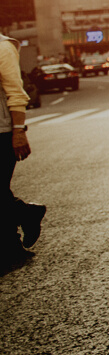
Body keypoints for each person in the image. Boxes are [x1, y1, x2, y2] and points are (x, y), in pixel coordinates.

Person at [1, 32, 44, 258]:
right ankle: (14, 244)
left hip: (2, 131)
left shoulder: (2, 48)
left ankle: (13, 244)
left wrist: (18, 131)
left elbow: (16, 93)